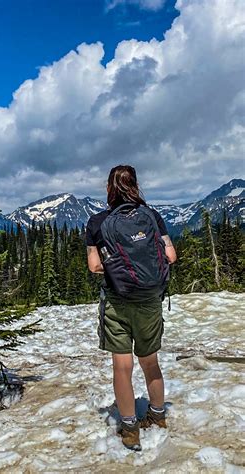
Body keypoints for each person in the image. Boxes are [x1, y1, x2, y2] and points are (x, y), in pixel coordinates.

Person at [86, 165, 177, 451]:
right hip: (150, 301)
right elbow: (171, 255)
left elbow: (94, 265)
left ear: (109, 188)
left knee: (122, 368)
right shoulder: (151, 216)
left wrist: (118, 268)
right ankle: (158, 416)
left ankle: (129, 429)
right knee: (150, 362)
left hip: (117, 302)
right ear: (136, 185)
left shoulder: (98, 222)